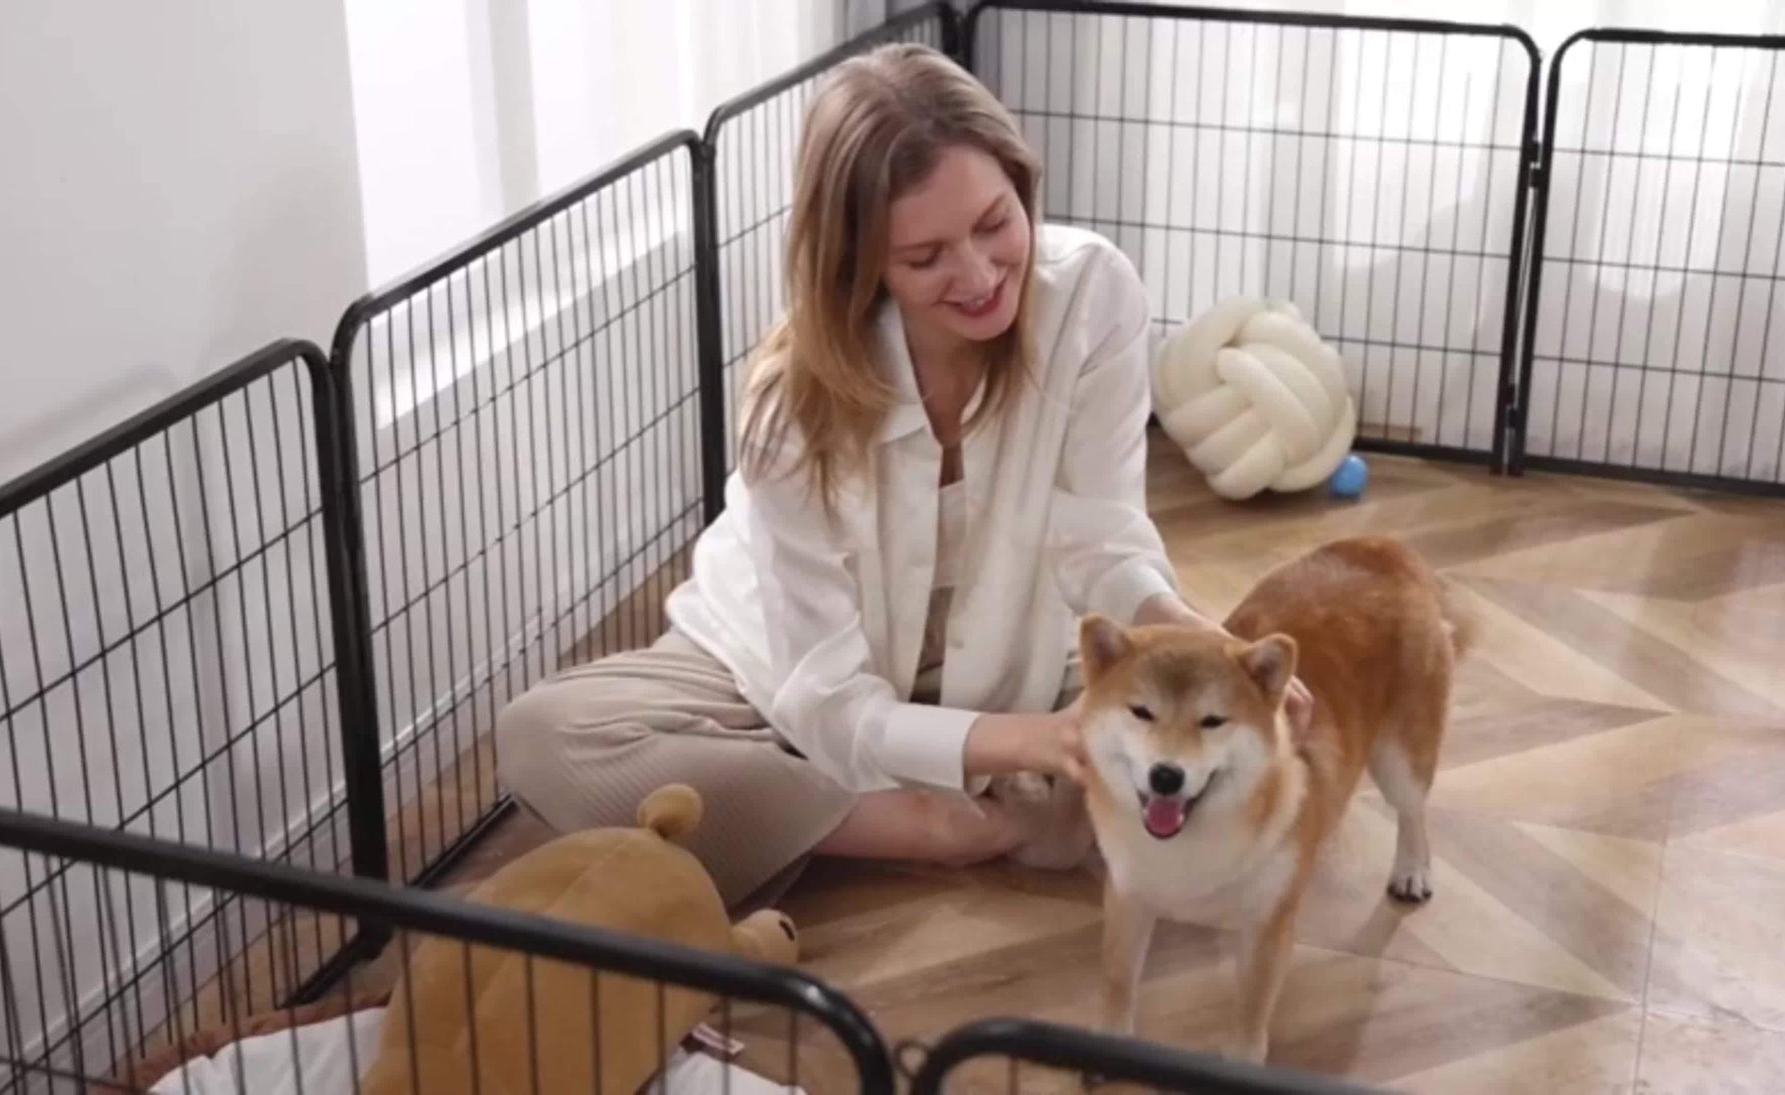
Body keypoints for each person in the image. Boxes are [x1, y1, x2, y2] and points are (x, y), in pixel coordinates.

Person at [494, 42, 1312, 910]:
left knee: (1212, 754)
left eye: (995, 222)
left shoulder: (1092, 295)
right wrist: (1032, 743)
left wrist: (1195, 635)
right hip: (789, 662)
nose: (980, 274)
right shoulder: (789, 407)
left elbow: (1102, 542)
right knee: (547, 738)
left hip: (1017, 649)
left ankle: (813, 805)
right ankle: (935, 825)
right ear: (861, 266)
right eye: (925, 258)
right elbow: (828, 696)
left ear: (1021, 184)